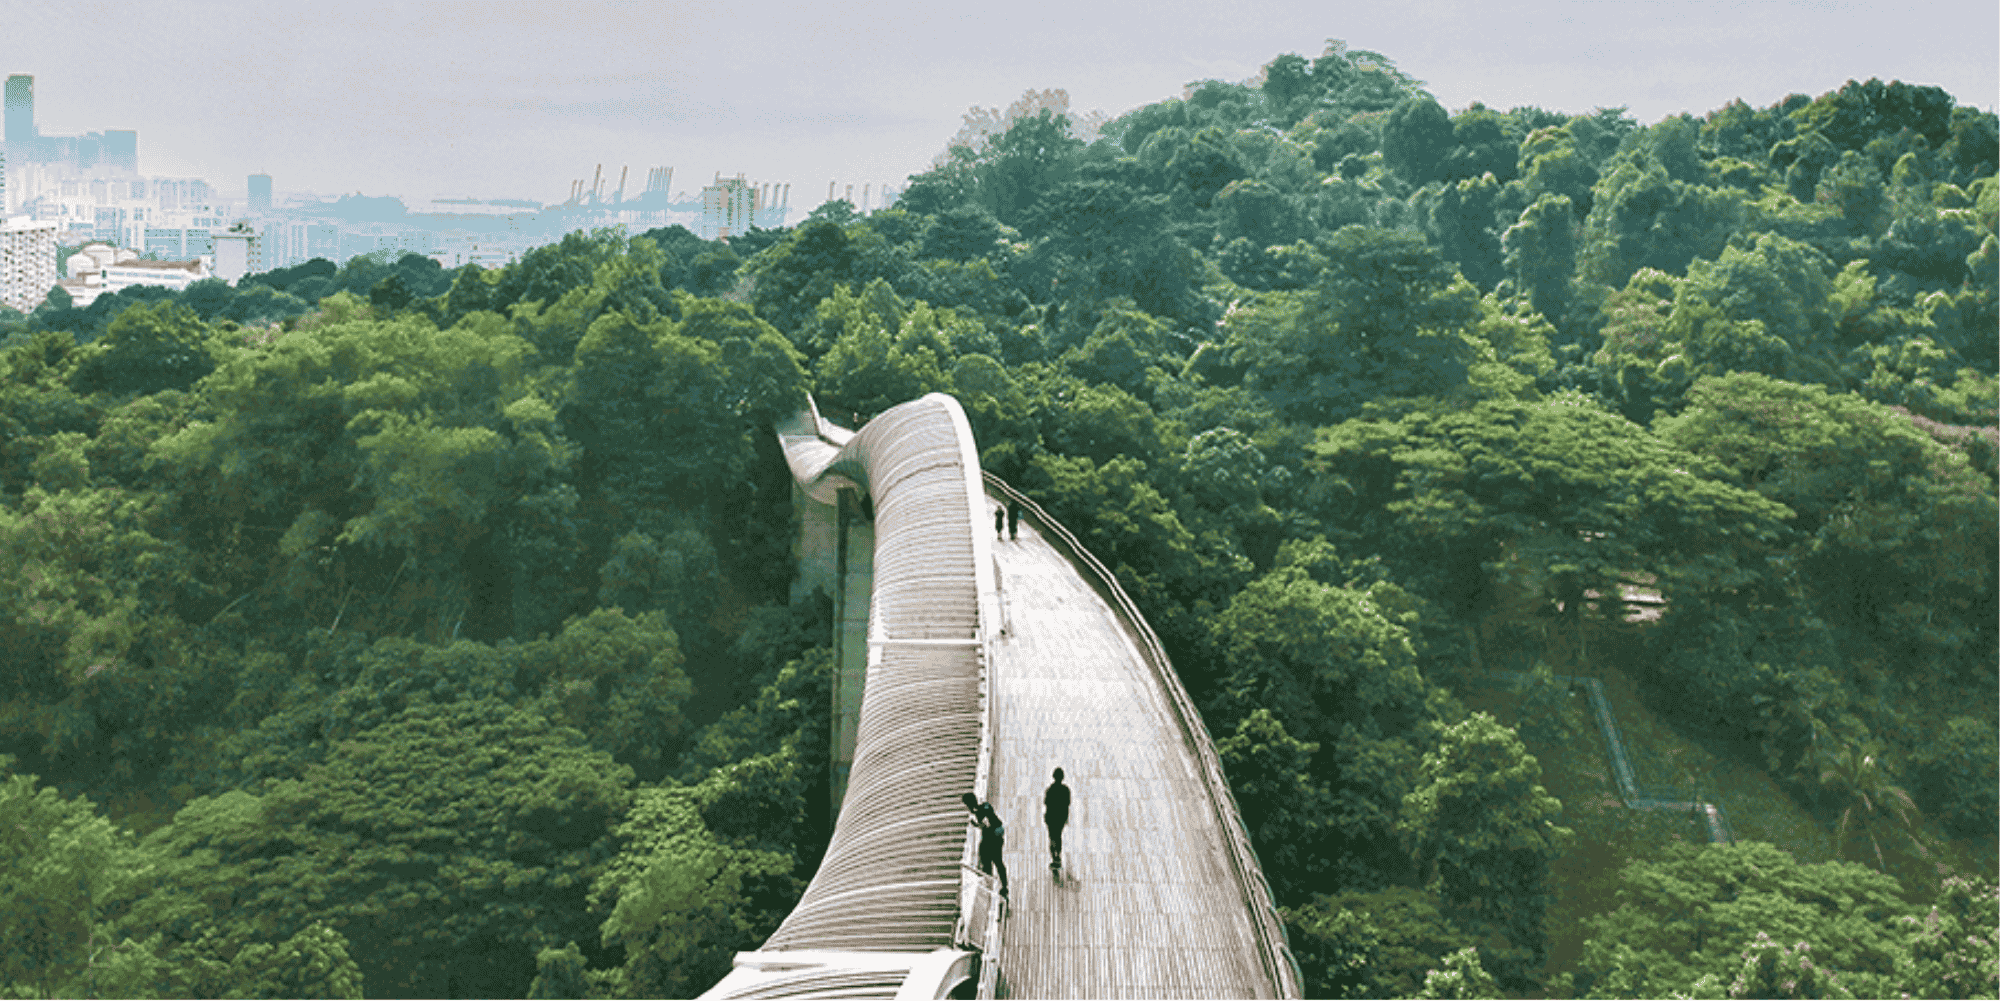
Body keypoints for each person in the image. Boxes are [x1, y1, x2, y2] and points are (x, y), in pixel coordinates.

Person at [960, 792, 1009, 898]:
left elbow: (987, 825)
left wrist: (976, 824)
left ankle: (990, 888)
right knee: (998, 862)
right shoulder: (984, 806)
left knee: (989, 862)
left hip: (992, 839)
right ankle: (1004, 886)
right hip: (996, 837)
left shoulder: (979, 812)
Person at [1044, 767, 1070, 870]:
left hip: (1051, 816)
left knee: (1051, 837)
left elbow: (1046, 803)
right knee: (1058, 836)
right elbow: (1068, 803)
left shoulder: (1050, 790)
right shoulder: (1066, 790)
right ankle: (1058, 855)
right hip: (1061, 817)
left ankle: (1054, 858)